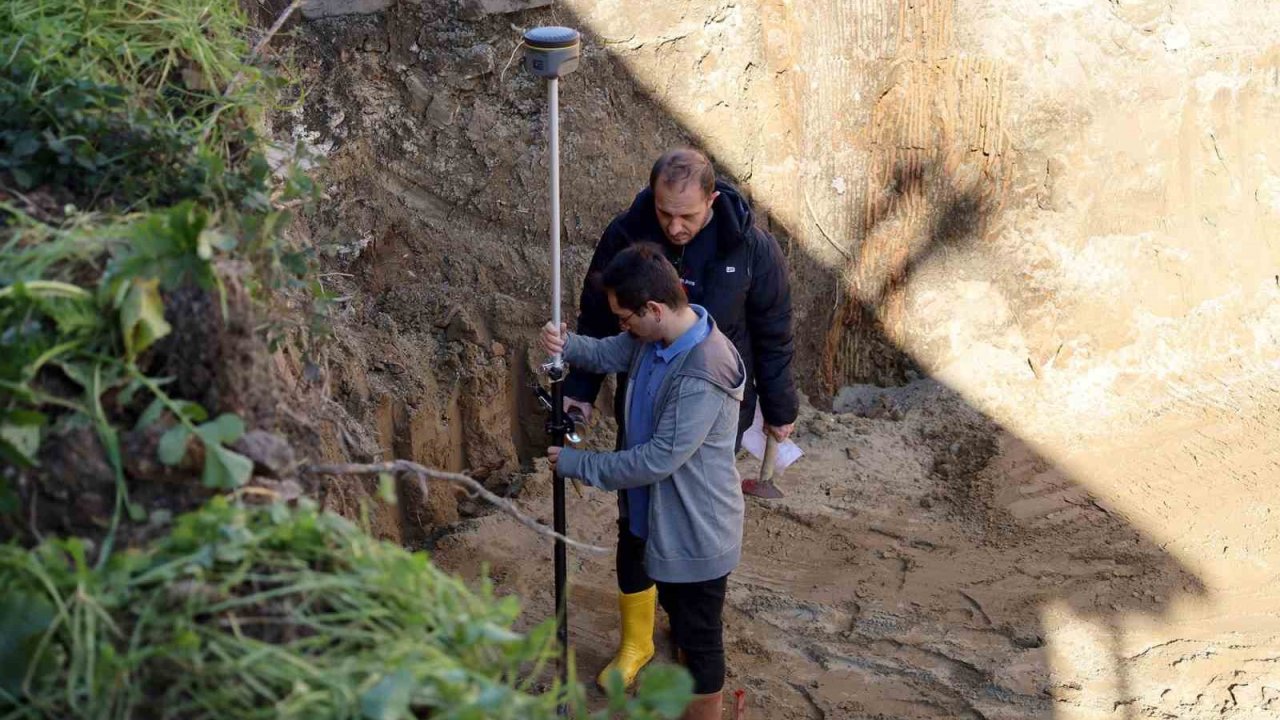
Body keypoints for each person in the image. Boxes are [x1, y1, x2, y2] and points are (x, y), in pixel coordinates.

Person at [562, 147, 798, 691]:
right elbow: (600, 320)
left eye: (687, 216)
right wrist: (579, 392)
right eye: (665, 213)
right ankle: (637, 639)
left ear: (712, 200)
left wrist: (780, 408)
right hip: (646, 392)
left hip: (713, 401)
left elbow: (774, 328)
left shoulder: (748, 246)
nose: (674, 226)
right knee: (638, 515)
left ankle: (694, 621)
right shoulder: (627, 235)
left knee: (692, 510)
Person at [544, 244, 745, 720]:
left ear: (653, 309)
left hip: (695, 531)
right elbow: (607, 351)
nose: (622, 325)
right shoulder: (654, 337)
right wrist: (565, 344)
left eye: (625, 317)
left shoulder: (702, 371)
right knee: (675, 614)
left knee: (698, 644)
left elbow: (657, 460)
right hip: (651, 516)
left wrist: (579, 464)